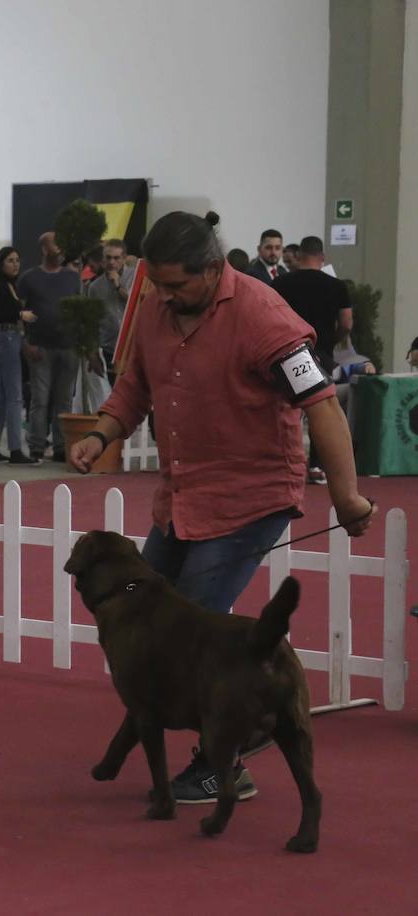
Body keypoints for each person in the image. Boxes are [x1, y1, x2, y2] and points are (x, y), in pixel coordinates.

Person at [68, 210, 372, 805]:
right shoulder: (158, 308)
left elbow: (322, 405)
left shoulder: (266, 319)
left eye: (177, 285)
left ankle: (222, 762)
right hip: (181, 496)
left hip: (248, 497)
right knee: (143, 615)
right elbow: (136, 384)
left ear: (213, 268)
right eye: (155, 283)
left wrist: (346, 495)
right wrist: (102, 433)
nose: (163, 295)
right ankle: (234, 728)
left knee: (192, 630)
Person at [271, 235, 352, 484]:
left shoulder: (281, 283)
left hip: (288, 353)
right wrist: (332, 341)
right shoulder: (337, 286)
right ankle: (317, 466)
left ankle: (279, 464)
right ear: (322, 257)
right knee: (321, 409)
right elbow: (347, 323)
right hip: (321, 353)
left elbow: (270, 317)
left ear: (299, 256)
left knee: (283, 409)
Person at [17, 231, 81, 461]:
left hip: (68, 347)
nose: (61, 249)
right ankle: (36, 445)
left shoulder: (73, 278)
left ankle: (62, 447)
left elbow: (80, 311)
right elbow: (18, 313)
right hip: (39, 347)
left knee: (64, 400)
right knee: (40, 399)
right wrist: (25, 342)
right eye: (57, 245)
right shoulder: (28, 278)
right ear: (45, 249)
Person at [0, 247, 39, 464]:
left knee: (5, 398)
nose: (15, 264)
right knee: (15, 396)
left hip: (6, 339)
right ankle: (15, 449)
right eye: (10, 260)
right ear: (1, 264)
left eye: (17, 260)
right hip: (6, 338)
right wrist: (19, 314)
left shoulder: (7, 285)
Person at [86, 238, 134, 382]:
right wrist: (92, 353)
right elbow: (91, 322)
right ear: (103, 259)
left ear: (124, 258)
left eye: (116, 258)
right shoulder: (95, 287)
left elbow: (139, 303)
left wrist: (118, 286)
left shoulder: (136, 276)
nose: (112, 262)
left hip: (133, 348)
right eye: (108, 258)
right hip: (109, 349)